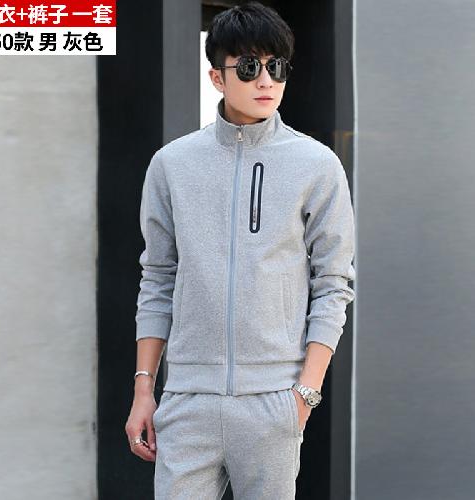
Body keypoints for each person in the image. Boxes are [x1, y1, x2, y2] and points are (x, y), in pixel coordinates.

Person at [125, 2, 356, 498]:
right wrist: (145, 389)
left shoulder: (316, 164)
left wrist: (304, 393)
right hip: (187, 398)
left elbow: (334, 282)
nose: (266, 80)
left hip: (273, 399)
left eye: (277, 67)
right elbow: (158, 278)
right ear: (217, 77)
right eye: (249, 67)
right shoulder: (172, 164)